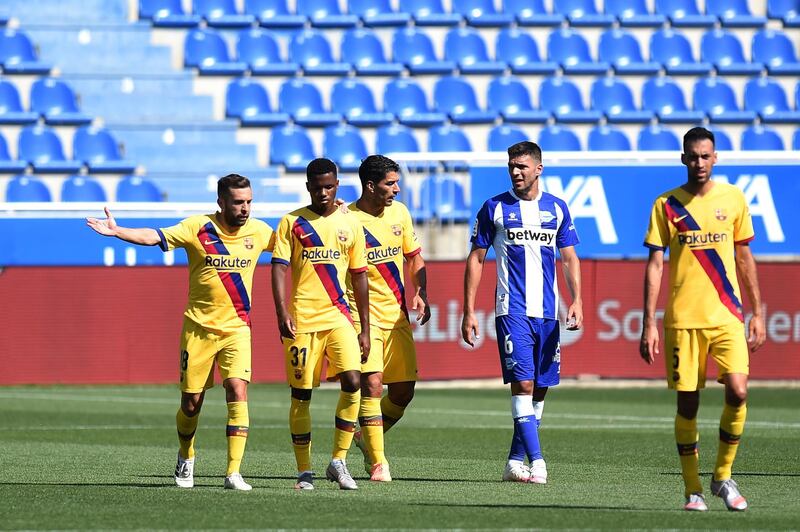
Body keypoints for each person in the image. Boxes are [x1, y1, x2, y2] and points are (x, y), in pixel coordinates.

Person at [86, 174, 275, 491]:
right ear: (221, 202)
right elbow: (153, 236)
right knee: (191, 403)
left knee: (238, 391)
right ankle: (186, 455)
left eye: (249, 202)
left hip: (237, 329)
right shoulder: (197, 227)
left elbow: (297, 242)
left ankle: (233, 472)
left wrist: (333, 217)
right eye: (238, 202)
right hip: (198, 329)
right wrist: (117, 231)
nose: (245, 208)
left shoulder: (259, 231)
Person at [640, 126, 766, 512]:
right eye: (692, 156)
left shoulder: (734, 199)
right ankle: (693, 489)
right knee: (688, 406)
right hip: (682, 320)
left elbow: (744, 258)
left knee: (739, 391)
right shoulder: (667, 204)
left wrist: (757, 312)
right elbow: (655, 265)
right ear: (683, 159)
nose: (699, 162)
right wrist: (648, 322)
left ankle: (722, 477)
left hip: (727, 314)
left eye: (705, 156)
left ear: (715, 158)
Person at [461, 141, 583, 484]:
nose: (516, 172)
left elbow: (570, 257)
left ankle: (514, 462)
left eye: (522, 166)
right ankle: (539, 462)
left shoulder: (557, 208)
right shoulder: (494, 208)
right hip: (511, 309)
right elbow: (476, 258)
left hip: (548, 312)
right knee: (523, 383)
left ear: (538, 169)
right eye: (511, 166)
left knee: (541, 388)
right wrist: (469, 310)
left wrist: (577, 300)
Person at [271, 158, 371, 491]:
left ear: (337, 185)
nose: (324, 193)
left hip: (339, 317)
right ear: (308, 187)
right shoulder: (292, 222)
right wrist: (282, 311)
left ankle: (338, 461)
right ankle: (304, 471)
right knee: (301, 396)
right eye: (318, 188)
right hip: (302, 321)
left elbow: (359, 277)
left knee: (353, 381)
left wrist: (365, 328)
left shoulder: (351, 223)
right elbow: (279, 268)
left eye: (330, 187)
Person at [346, 155, 432, 482]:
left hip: (397, 315)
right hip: (362, 317)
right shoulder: (347, 218)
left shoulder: (400, 212)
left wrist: (421, 291)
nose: (396, 189)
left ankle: (363, 435)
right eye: (390, 183)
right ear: (370, 185)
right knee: (372, 384)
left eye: (397, 182)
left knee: (403, 393)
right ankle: (378, 461)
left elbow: (414, 257)